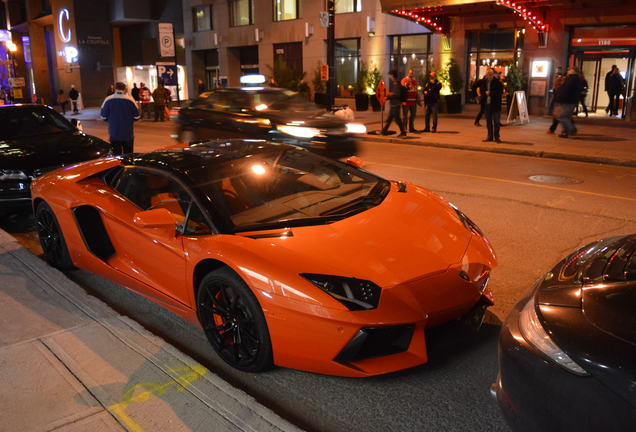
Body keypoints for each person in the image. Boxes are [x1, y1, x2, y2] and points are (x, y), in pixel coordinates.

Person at [100, 82, 140, 155]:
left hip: (114, 133)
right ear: (124, 89)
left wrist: (111, 120)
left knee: (116, 156)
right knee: (128, 156)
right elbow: (137, 116)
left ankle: (118, 166)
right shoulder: (130, 99)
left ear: (115, 89)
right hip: (128, 133)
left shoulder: (108, 99)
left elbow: (103, 116)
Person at [551, 68, 581, 138]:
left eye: (570, 70)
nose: (568, 71)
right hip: (570, 101)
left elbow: (566, 90)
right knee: (566, 116)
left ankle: (571, 129)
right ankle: (565, 132)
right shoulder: (575, 79)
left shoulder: (571, 79)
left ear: (573, 71)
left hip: (567, 101)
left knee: (562, 116)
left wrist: (560, 97)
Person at [479, 69, 504, 143]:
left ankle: (497, 137)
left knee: (496, 122)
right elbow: (481, 90)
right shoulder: (484, 82)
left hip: (495, 105)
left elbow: (500, 92)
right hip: (487, 104)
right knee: (488, 121)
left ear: (493, 75)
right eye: (488, 74)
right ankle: (490, 136)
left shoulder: (497, 83)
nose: (489, 76)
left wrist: (490, 93)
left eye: (490, 74)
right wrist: (484, 93)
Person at [381, 69, 406, 137]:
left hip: (396, 104)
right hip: (393, 104)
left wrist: (389, 95)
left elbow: (397, 94)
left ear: (392, 75)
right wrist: (387, 97)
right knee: (389, 118)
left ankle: (403, 132)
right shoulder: (395, 83)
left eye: (390, 75)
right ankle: (384, 131)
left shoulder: (396, 83)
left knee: (397, 119)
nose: (389, 77)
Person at [400, 68, 419, 133]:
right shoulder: (404, 80)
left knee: (413, 115)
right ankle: (404, 129)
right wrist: (407, 83)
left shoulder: (414, 80)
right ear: (408, 73)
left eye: (412, 73)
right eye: (410, 73)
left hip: (413, 101)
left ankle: (411, 128)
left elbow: (416, 90)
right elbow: (403, 88)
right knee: (405, 116)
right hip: (406, 101)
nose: (411, 74)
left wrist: (417, 99)